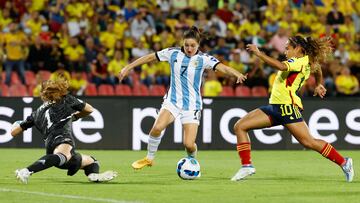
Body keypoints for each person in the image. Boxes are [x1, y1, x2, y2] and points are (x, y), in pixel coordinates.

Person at [119, 26, 247, 170]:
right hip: (172, 101)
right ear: (182, 43)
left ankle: (192, 161)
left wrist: (237, 74)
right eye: (186, 45)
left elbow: (222, 67)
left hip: (192, 105)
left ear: (198, 45)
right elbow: (149, 57)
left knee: (188, 144)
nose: (189, 48)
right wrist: (128, 67)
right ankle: (149, 158)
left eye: (192, 45)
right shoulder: (172, 53)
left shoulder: (203, 59)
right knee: (156, 128)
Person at [231, 36, 354, 182]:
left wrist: (259, 54)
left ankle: (344, 162)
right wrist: (319, 84)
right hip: (275, 107)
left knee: (309, 142)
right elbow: (318, 68)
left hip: (287, 107)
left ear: (298, 49)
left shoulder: (298, 61)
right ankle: (247, 166)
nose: (285, 51)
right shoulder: (307, 61)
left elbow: (281, 66)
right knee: (240, 126)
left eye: (288, 48)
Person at [11, 78, 117, 184]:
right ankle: (26, 171)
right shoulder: (65, 99)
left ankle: (93, 175)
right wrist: (74, 117)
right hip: (62, 138)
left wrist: (15, 125)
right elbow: (89, 109)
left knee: (91, 161)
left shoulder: (36, 113)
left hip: (50, 147)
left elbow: (14, 132)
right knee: (63, 156)